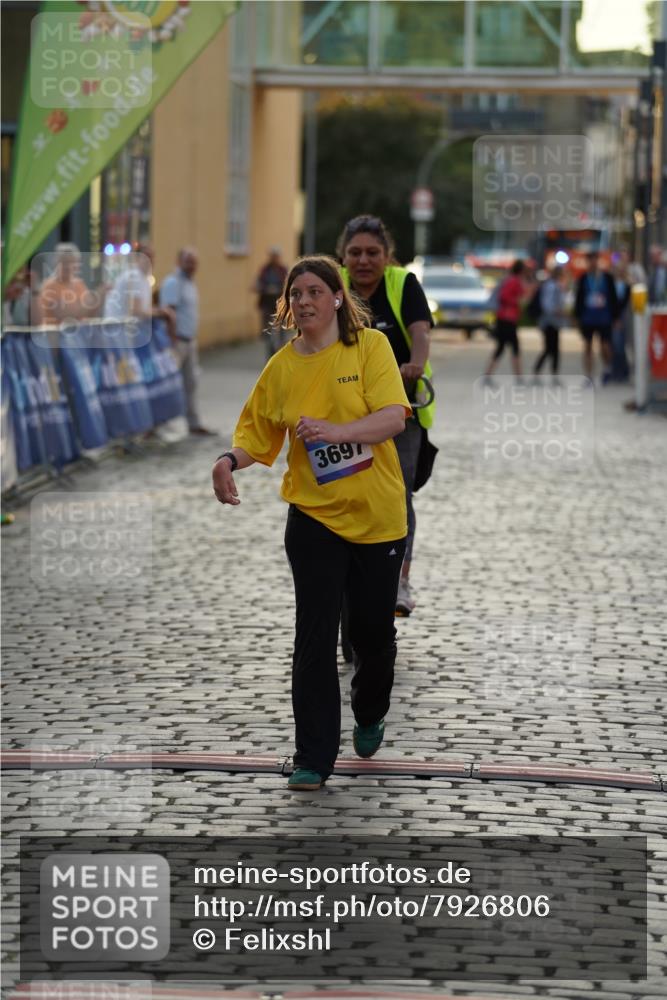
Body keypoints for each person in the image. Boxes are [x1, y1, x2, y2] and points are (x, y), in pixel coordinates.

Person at [212, 255, 411, 791]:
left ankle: (370, 711)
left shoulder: (369, 347)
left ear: (337, 298)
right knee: (315, 636)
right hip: (313, 517)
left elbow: (393, 417)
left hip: (376, 516)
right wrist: (228, 461)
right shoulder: (281, 367)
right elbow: (256, 436)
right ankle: (313, 757)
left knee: (372, 636)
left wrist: (336, 431)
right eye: (295, 294)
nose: (303, 301)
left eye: (314, 292)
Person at [337, 214, 433, 618]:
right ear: (343, 256)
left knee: (397, 494)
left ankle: (400, 580)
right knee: (343, 490)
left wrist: (415, 364)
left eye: (372, 253)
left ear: (387, 255)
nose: (363, 261)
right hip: (346, 411)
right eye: (355, 252)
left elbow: (421, 332)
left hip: (401, 410)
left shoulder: (403, 283)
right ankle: (343, 572)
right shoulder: (334, 284)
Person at [159, 247, 215, 436]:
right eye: (188, 261)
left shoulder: (190, 284)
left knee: (191, 384)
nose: (191, 265)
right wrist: (171, 339)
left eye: (194, 262)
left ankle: (193, 423)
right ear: (179, 262)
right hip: (176, 341)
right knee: (166, 384)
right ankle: (155, 425)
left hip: (189, 341)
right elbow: (168, 312)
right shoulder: (173, 282)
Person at [104, 243, 176, 340]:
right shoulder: (135, 276)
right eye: (146, 256)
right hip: (119, 332)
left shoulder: (144, 279)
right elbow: (137, 311)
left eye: (152, 257)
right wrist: (161, 313)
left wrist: (159, 311)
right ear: (137, 259)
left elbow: (143, 309)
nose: (150, 260)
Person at [483, 259, 532, 385]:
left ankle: (489, 376)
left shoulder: (511, 279)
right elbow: (505, 296)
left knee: (502, 348)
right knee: (513, 347)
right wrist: (517, 301)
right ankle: (518, 377)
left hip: (506, 318)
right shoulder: (514, 281)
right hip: (507, 318)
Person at [574, 251, 619, 383]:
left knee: (605, 345)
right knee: (587, 346)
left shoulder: (607, 278)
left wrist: (615, 317)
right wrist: (577, 317)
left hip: (604, 317)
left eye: (594, 260)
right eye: (590, 260)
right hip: (588, 317)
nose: (592, 263)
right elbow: (579, 298)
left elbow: (613, 298)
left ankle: (607, 367)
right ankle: (589, 375)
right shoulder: (583, 278)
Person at [38, 243, 104, 324]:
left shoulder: (79, 284)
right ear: (56, 263)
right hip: (55, 331)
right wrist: (96, 298)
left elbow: (90, 313)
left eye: (72, 262)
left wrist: (101, 297)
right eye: (65, 262)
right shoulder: (49, 286)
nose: (68, 266)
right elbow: (67, 314)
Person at [533, 265, 567, 384]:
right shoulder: (552, 286)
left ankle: (548, 374)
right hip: (550, 321)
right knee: (550, 348)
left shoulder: (552, 285)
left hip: (552, 321)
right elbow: (546, 304)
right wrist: (557, 311)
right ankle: (541, 373)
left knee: (552, 349)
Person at [254, 247, 289, 358]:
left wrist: (278, 289)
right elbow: (258, 283)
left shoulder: (283, 270)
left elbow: (288, 284)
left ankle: (282, 353)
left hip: (281, 305)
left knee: (282, 331)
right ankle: (271, 355)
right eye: (272, 256)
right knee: (268, 332)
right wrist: (263, 288)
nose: (274, 258)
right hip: (267, 304)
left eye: (276, 256)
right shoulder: (265, 270)